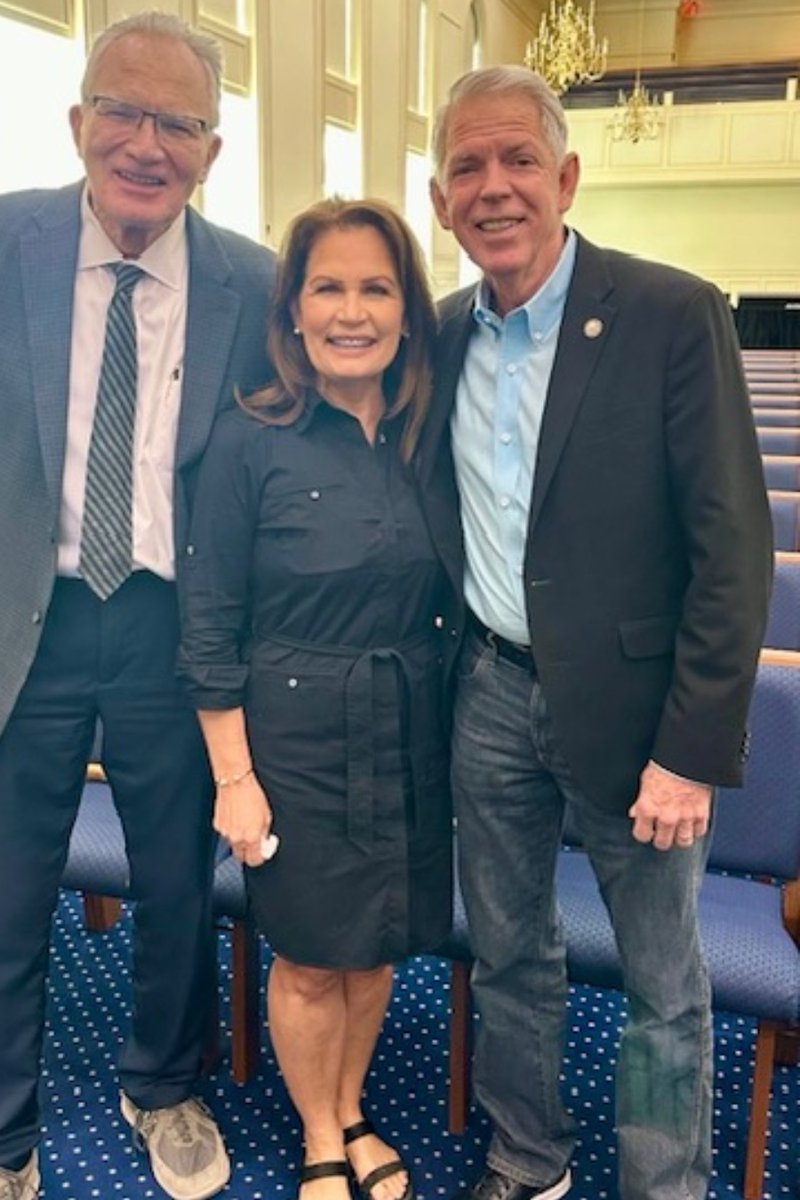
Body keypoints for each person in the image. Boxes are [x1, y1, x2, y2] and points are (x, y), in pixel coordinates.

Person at [0, 12, 275, 1200]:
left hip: (172, 633)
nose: (146, 143)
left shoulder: (250, 280)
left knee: (178, 888)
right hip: (12, 622)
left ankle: (165, 1085)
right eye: (123, 112)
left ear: (211, 149)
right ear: (80, 120)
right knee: (0, 901)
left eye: (177, 123)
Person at [419, 65, 772, 1200]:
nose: (495, 186)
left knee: (664, 982)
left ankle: (663, 1182)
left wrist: (690, 751)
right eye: (468, 166)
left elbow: (732, 549)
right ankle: (529, 1155)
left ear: (566, 178)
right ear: (439, 200)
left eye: (519, 159)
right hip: (488, 694)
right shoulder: (437, 337)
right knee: (509, 954)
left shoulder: (671, 313)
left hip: (636, 715)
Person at [177, 197, 453, 1200]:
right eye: (327, 288)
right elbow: (209, 624)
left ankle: (353, 1105)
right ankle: (320, 1135)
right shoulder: (247, 442)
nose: (351, 311)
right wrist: (234, 779)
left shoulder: (429, 436)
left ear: (407, 312)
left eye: (376, 288)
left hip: (409, 727)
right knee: (306, 956)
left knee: (374, 951)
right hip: (291, 739)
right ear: (292, 310)